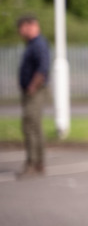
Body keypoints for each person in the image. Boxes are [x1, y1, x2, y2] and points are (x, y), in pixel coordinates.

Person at [17, 15, 50, 176]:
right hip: (32, 91)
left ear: (30, 26)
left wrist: (32, 86)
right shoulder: (32, 44)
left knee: (31, 127)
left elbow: (43, 68)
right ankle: (37, 163)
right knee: (32, 126)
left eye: (22, 27)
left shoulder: (38, 44)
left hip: (35, 92)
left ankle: (34, 163)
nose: (21, 31)